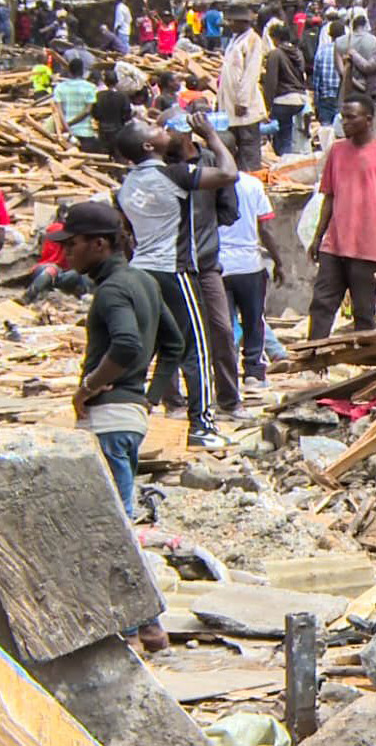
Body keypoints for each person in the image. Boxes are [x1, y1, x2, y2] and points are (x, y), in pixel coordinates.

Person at [61, 201, 183, 651]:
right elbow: (174, 344)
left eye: (72, 245)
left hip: (111, 416)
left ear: (100, 243)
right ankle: (147, 627)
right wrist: (149, 398)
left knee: (111, 523)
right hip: (129, 415)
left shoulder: (113, 291)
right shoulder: (144, 283)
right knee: (117, 520)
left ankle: (134, 627)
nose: (67, 253)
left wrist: (89, 387)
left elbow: (129, 345)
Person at [114, 115, 238, 446]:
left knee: (149, 348)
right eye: (154, 128)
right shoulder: (173, 176)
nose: (163, 128)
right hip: (175, 270)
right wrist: (211, 135)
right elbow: (229, 173)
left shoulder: (126, 185)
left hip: (140, 270)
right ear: (148, 145)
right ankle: (203, 426)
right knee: (195, 349)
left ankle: (128, 419)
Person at [163, 119, 248, 423]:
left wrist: (203, 228)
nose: (163, 136)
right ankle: (174, 401)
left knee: (222, 330)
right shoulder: (161, 167)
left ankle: (229, 398)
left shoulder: (210, 161)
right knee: (172, 333)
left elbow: (229, 207)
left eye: (167, 129)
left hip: (206, 261)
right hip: (170, 264)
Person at [306, 95, 376, 339]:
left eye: (352, 117)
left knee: (364, 311)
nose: (345, 122)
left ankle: (363, 368)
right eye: (344, 117)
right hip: (336, 242)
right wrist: (318, 236)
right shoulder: (338, 151)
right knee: (322, 304)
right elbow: (329, 197)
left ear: (369, 120)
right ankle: (314, 361)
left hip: (368, 245)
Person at [218, 170, 283, 391]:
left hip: (218, 265)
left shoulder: (205, 184)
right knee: (254, 321)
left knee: (223, 326)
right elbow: (265, 228)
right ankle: (254, 373)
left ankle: (226, 376)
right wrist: (278, 261)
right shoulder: (252, 184)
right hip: (249, 265)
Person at [218, 3, 268, 171]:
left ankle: (252, 176)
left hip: (244, 105)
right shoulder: (234, 40)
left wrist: (243, 101)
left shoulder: (254, 40)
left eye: (232, 21)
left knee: (248, 147)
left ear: (242, 22)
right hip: (230, 105)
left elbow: (251, 74)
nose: (229, 25)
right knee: (235, 145)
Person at [262, 25, 309, 158]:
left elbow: (271, 81)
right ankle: (287, 159)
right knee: (287, 132)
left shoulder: (275, 54)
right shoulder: (297, 52)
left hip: (283, 99)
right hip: (300, 98)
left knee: (279, 136)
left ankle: (281, 160)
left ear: (275, 38)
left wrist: (267, 105)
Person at [24, 206, 88, 303]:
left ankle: (30, 295)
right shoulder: (68, 233)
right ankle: (30, 295)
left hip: (44, 269)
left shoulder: (49, 230)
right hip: (52, 271)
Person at [54, 57, 99, 151]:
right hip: (85, 132)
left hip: (66, 134)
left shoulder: (60, 87)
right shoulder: (90, 87)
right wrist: (70, 123)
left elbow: (58, 110)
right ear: (82, 71)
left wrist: (66, 125)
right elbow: (87, 110)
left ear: (69, 71)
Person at [312, 20, 345, 126]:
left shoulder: (321, 52)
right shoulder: (348, 51)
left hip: (325, 97)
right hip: (342, 96)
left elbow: (316, 79)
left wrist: (316, 101)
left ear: (330, 35)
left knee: (326, 131)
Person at [93, 67, 133, 153]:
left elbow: (95, 113)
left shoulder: (99, 95)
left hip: (103, 129)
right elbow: (127, 114)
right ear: (117, 81)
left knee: (104, 155)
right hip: (118, 129)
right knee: (118, 153)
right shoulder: (122, 96)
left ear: (105, 81)